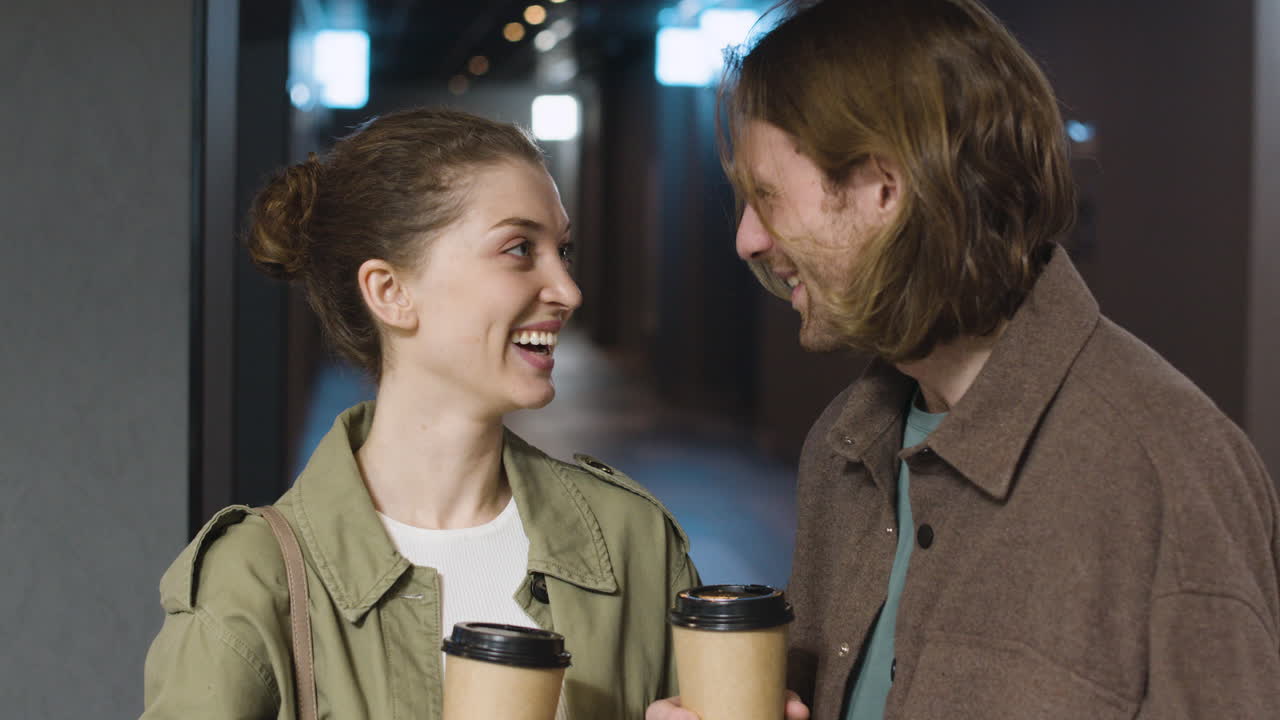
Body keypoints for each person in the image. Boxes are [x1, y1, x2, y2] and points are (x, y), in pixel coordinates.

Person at [649, 0, 1280, 718]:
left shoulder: (1167, 469)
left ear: (883, 188)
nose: (748, 240)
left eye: (766, 196)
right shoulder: (843, 447)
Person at [141, 108, 698, 719]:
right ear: (390, 292)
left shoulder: (633, 539)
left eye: (562, 250)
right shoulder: (251, 582)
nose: (567, 289)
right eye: (519, 249)